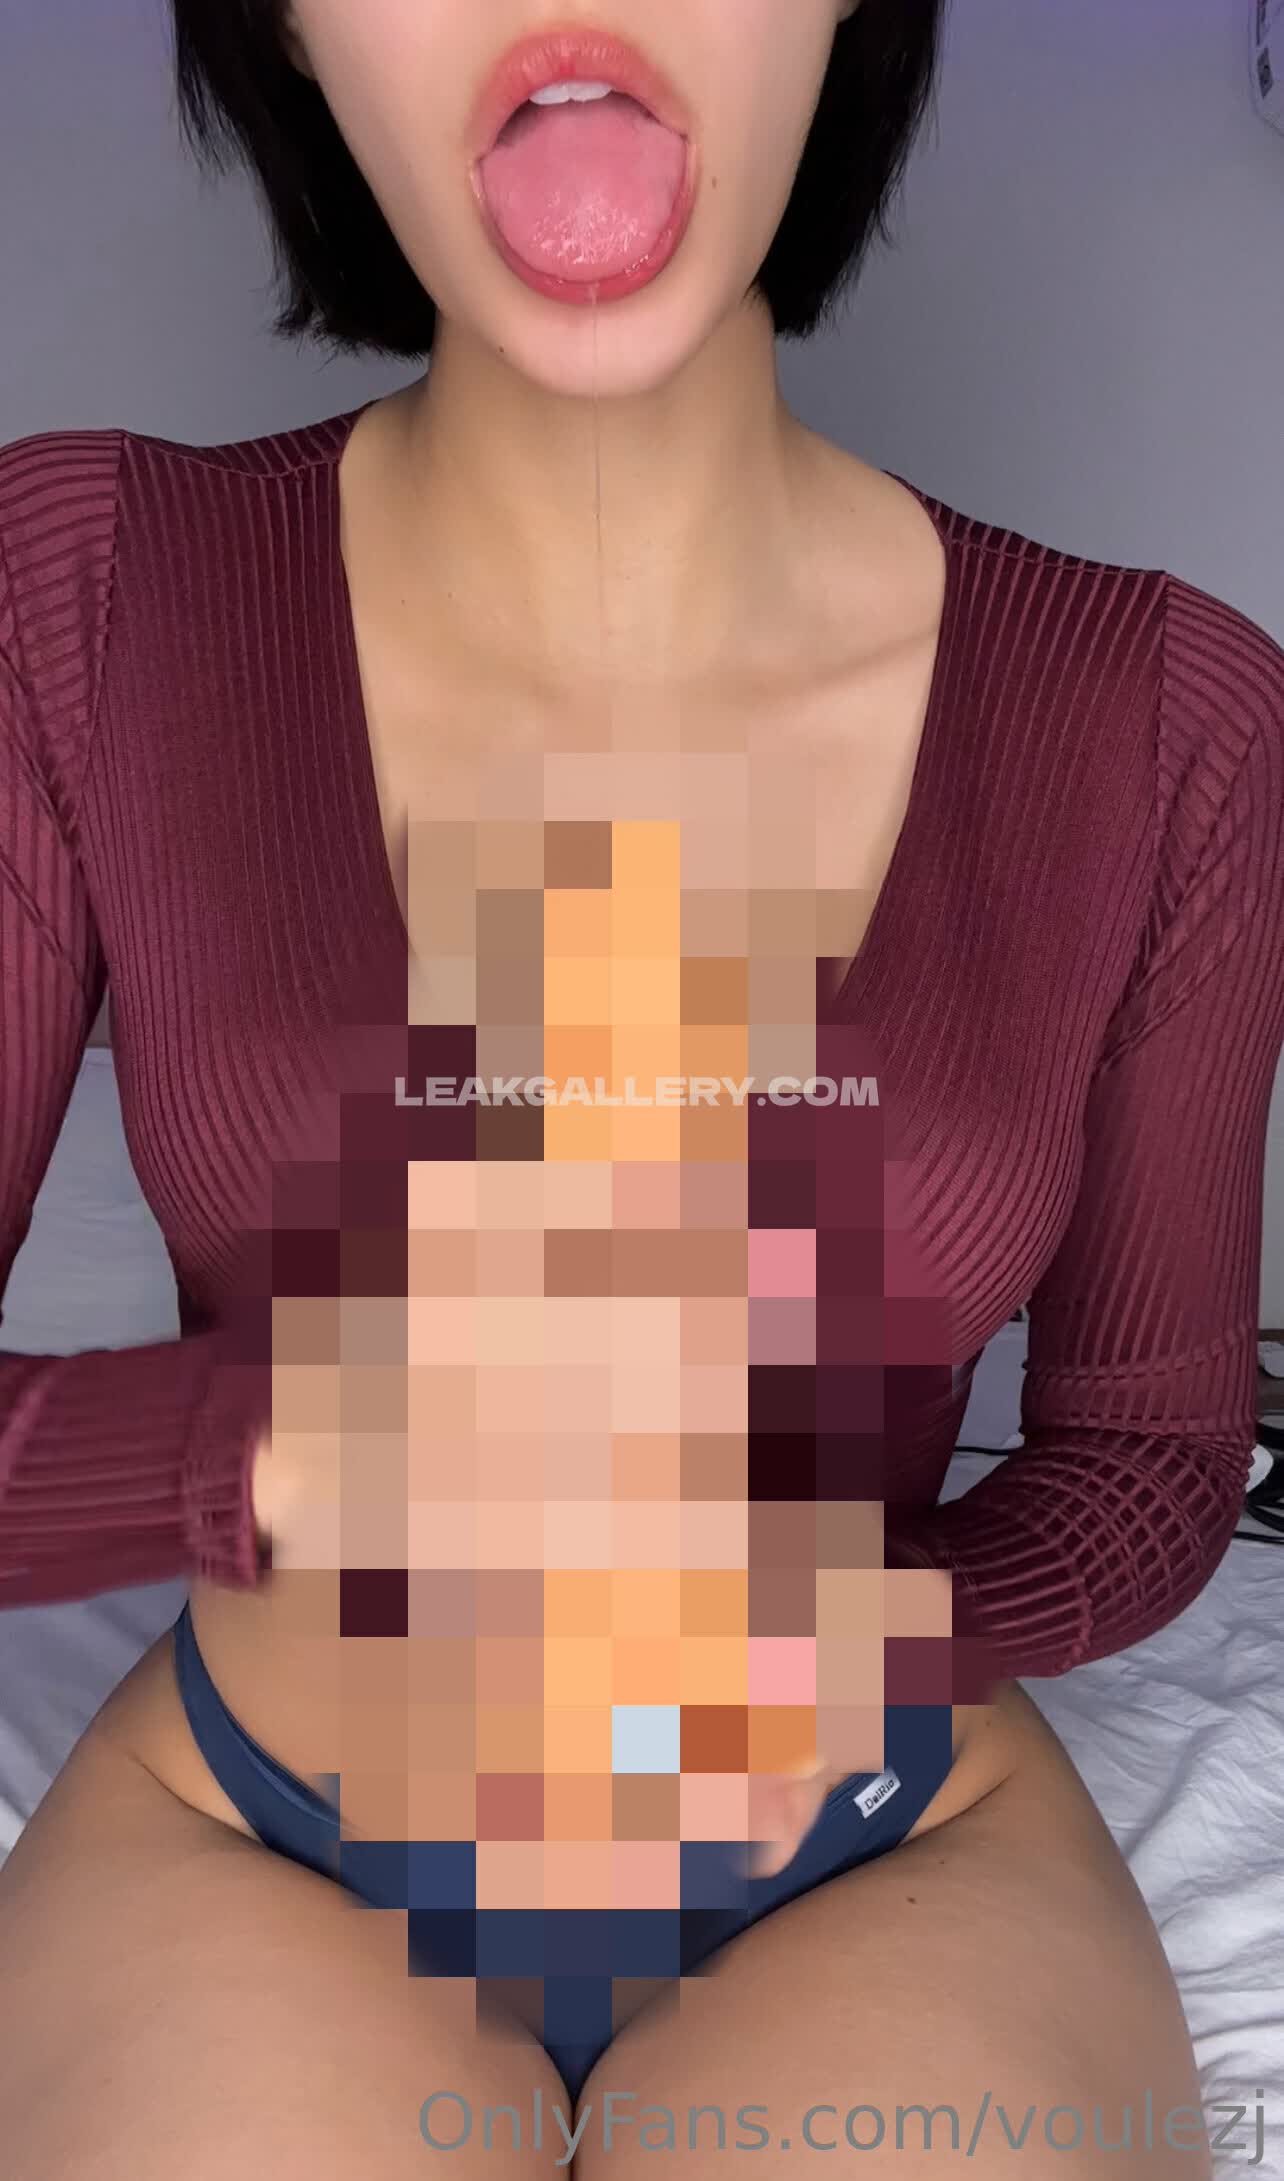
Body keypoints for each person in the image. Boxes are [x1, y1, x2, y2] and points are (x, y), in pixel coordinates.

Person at [1, 1, 1281, 2171]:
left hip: (881, 1839)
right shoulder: (82, 594)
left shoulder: (1173, 722)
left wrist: (897, 1628)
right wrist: (274, 1441)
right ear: (291, 32)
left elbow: (1151, 1455)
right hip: (262, 1831)